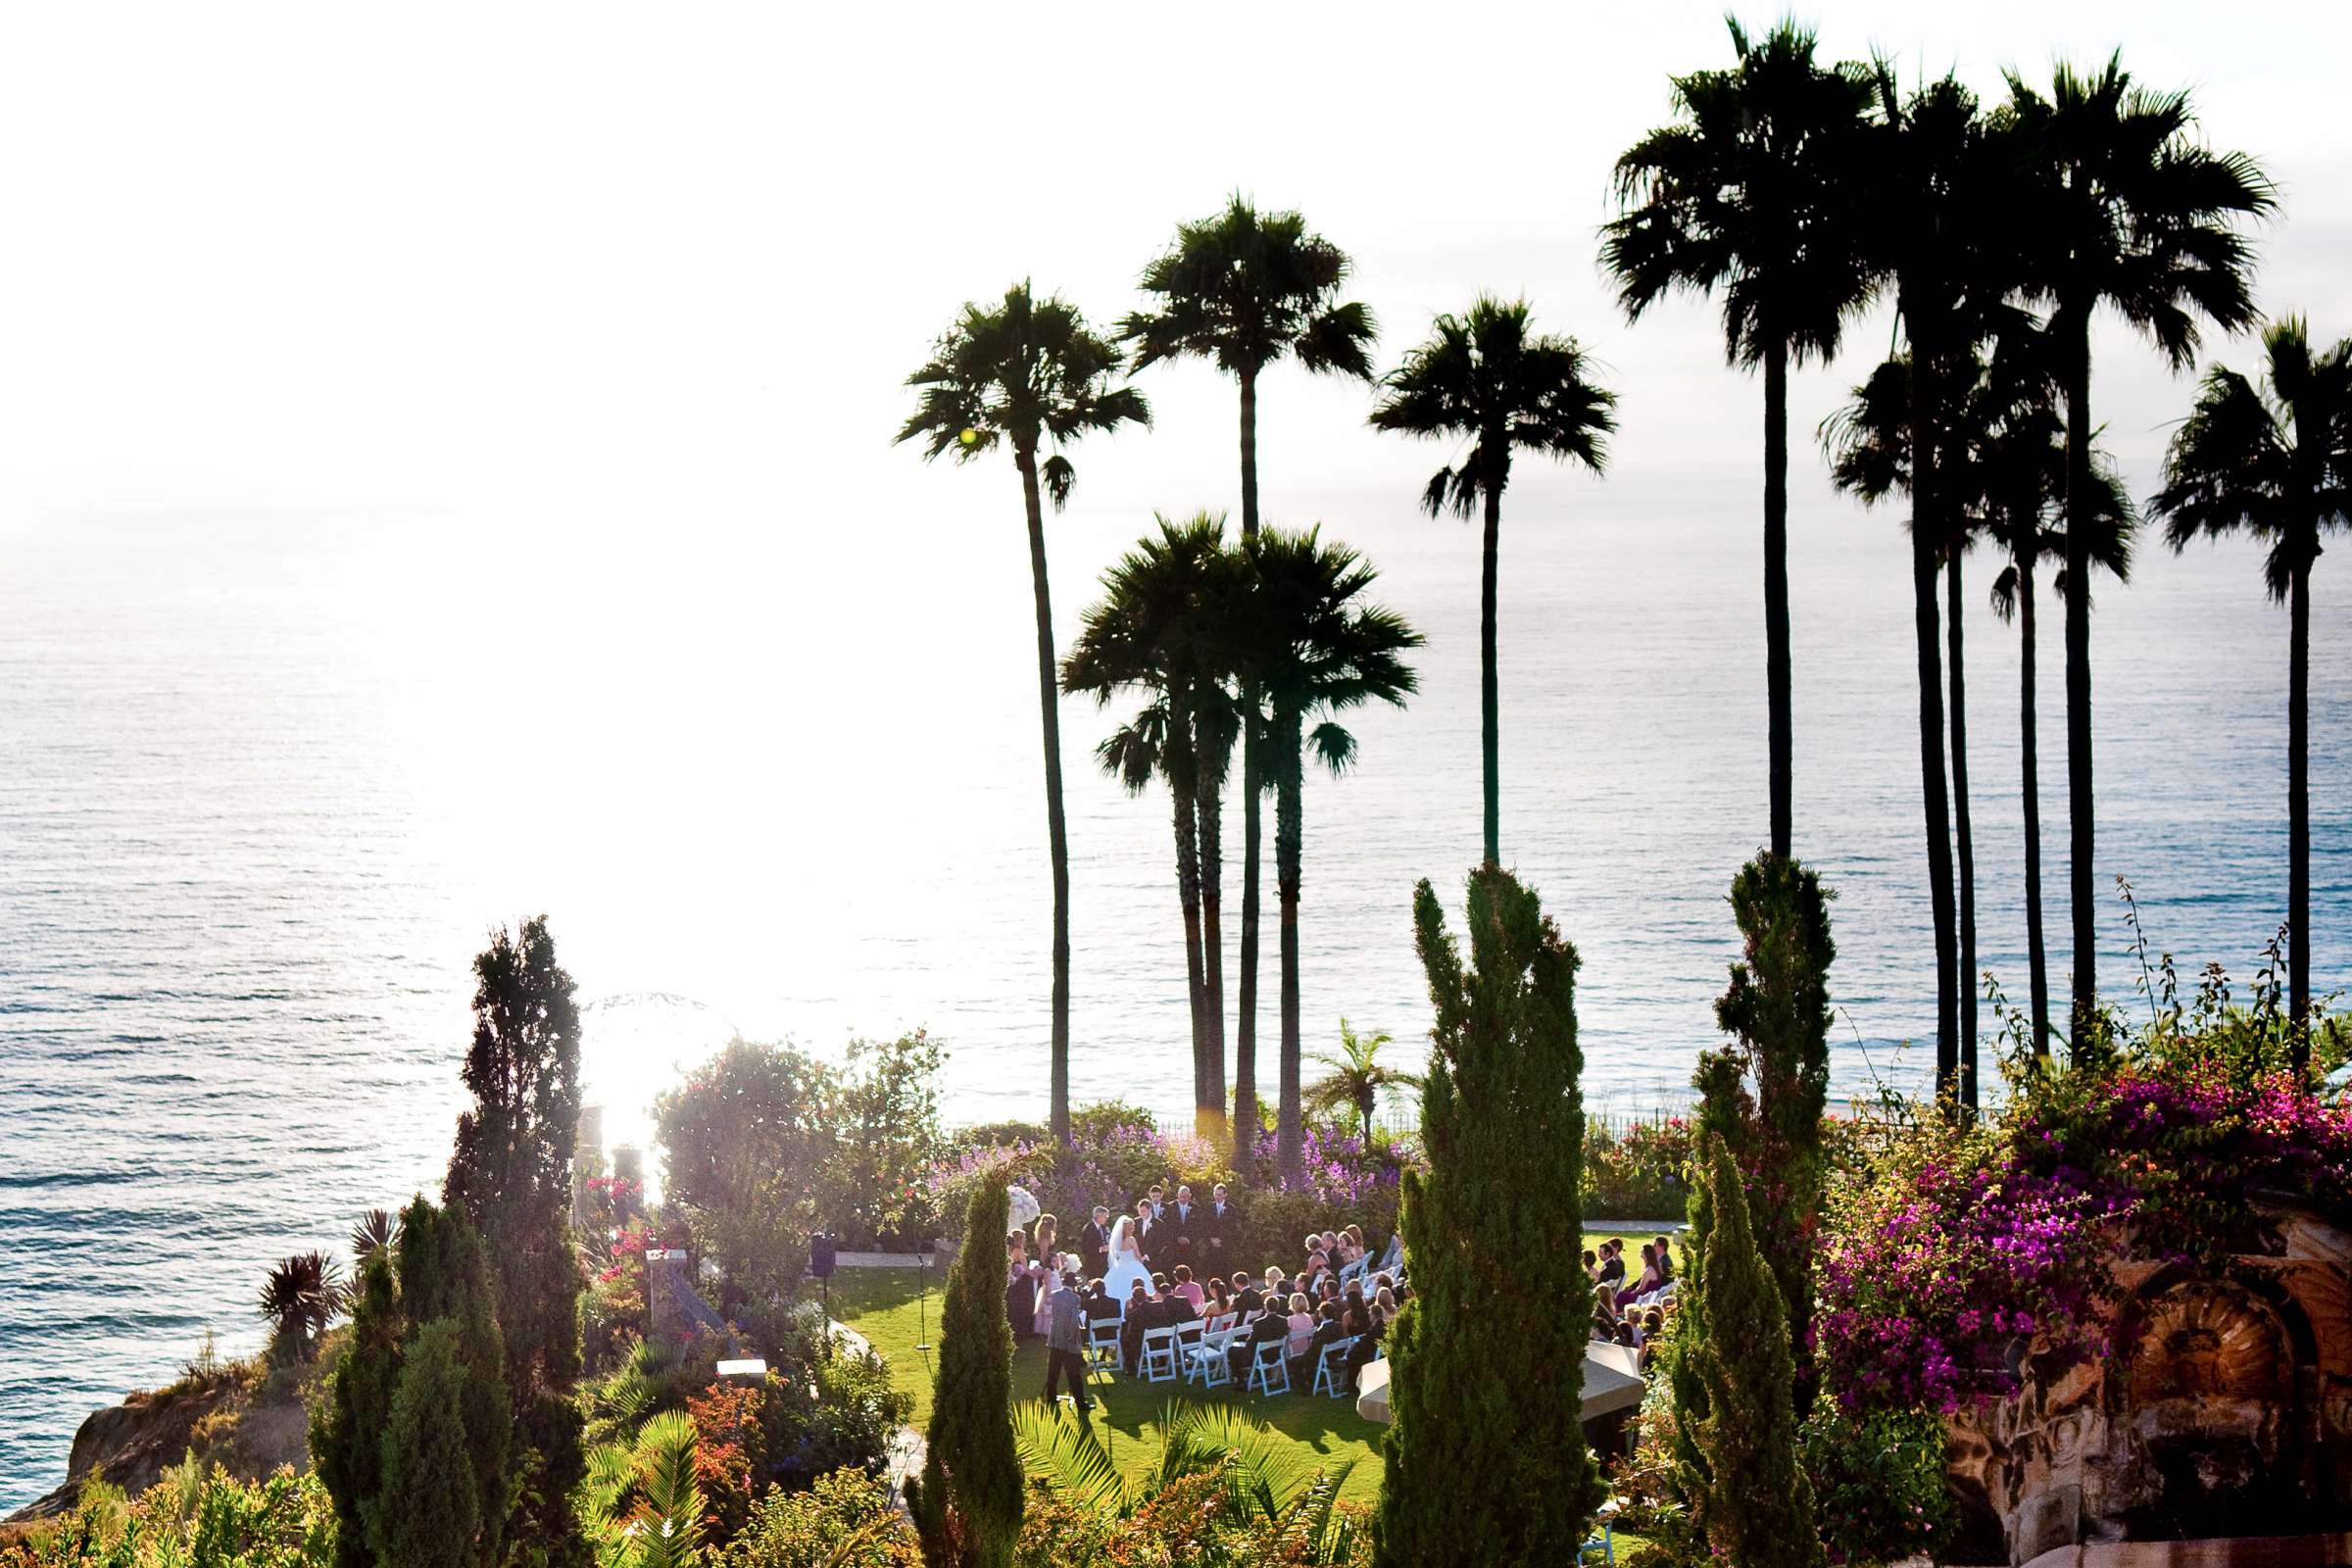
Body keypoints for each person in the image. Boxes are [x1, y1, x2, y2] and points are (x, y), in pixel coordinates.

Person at [1041, 1268, 1092, 1413]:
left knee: (1053, 1370)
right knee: (1073, 1373)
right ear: (1074, 1284)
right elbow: (1073, 1320)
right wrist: (1073, 1338)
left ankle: (1051, 1398)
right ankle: (1081, 1404)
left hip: (1055, 1337)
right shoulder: (1075, 1298)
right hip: (1068, 1340)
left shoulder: (1055, 1295)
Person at [1102, 1210, 1152, 1304]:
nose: (1132, 1230)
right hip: (1134, 1265)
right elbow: (1138, 1256)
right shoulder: (1131, 1240)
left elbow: (1115, 1254)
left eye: (1132, 1228)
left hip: (1120, 1265)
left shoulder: (1117, 1241)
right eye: (1130, 1228)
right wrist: (1143, 1259)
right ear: (1125, 1229)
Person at [1202, 1183, 1237, 1267]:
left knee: (1225, 1269)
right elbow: (1205, 1224)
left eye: (1220, 1195)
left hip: (1225, 1245)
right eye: (1215, 1194)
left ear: (1225, 1195)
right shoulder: (1208, 1207)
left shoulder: (1231, 1208)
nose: (1217, 1197)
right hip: (1211, 1245)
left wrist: (1221, 1239)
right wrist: (1211, 1239)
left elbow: (1232, 1227)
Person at [1079, 1205, 1113, 1280]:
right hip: (1093, 1264)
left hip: (1103, 1264)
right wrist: (1100, 1249)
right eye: (1105, 1216)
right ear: (1099, 1216)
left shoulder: (1103, 1228)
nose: (1106, 1219)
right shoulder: (1089, 1228)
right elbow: (1085, 1248)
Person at [1168, 1185, 1199, 1268]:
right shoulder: (1170, 1207)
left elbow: (1198, 1226)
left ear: (1189, 1196)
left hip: (1190, 1245)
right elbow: (1168, 1226)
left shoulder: (1195, 1208)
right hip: (1174, 1245)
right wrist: (1177, 1238)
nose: (1182, 1199)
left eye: (1185, 1197)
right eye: (1180, 1197)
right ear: (1177, 1195)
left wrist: (1189, 1239)